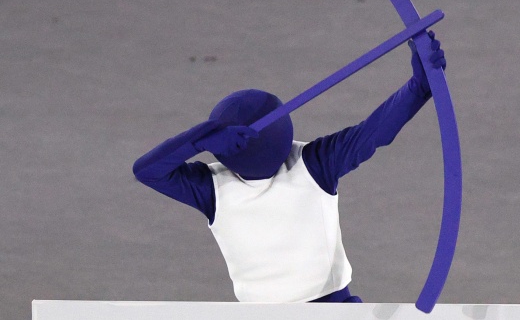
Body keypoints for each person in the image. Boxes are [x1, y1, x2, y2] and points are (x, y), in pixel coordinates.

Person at [132, 32, 446, 303]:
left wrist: (420, 86)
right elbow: (147, 170)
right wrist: (200, 138)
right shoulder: (213, 187)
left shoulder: (313, 163)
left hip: (333, 309)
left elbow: (373, 133)